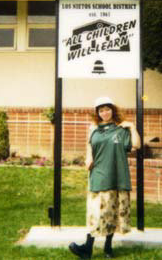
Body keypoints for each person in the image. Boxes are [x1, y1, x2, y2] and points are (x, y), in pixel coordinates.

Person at [69, 96, 141, 259]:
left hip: (116, 176)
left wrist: (132, 126)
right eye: (101, 110)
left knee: (112, 212)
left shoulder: (120, 129)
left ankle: (107, 248)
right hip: (98, 175)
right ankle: (88, 248)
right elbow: (89, 144)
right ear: (97, 113)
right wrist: (88, 157)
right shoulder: (94, 128)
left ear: (113, 110)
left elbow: (136, 145)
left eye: (107, 109)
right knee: (95, 212)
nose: (104, 113)